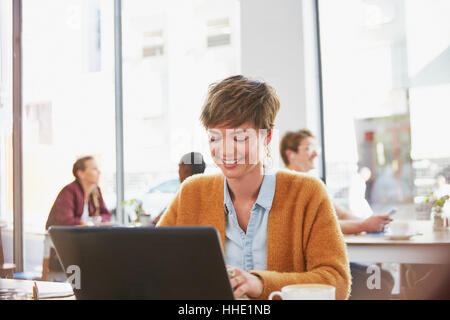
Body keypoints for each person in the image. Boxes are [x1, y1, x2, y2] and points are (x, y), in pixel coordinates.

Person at [157, 75, 351, 300]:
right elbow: (154, 264)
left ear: (266, 136)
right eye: (214, 138)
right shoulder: (192, 193)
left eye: (239, 138)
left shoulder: (307, 193)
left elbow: (336, 282)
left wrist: (259, 284)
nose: (226, 151)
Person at [280, 129, 394, 299]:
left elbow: (338, 213)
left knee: (385, 277)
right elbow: (319, 226)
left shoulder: (312, 184)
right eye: (308, 149)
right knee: (379, 285)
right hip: (309, 269)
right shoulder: (287, 187)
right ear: (291, 154)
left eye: (315, 148)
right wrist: (363, 225)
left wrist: (371, 221)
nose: (315, 153)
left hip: (326, 262)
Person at [44, 156, 111, 279]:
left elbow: (107, 215)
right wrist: (89, 223)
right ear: (81, 173)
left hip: (83, 245)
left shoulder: (95, 191)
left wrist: (94, 221)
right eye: (94, 169)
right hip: (64, 247)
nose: (99, 172)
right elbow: (65, 221)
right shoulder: (69, 191)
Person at [152, 152, 206, 225]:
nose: (178, 171)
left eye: (179, 166)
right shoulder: (207, 194)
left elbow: (160, 221)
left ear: (186, 168)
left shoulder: (185, 196)